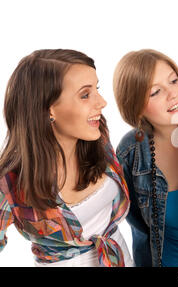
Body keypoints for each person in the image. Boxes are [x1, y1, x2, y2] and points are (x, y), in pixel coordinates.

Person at [0, 49, 133, 267]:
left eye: (96, 89)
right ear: (48, 110)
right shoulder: (10, 182)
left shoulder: (97, 135)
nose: (102, 102)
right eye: (85, 95)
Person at [114, 49, 178, 267]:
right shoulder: (132, 152)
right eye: (155, 92)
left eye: (174, 80)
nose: (173, 94)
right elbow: (136, 227)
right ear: (136, 107)